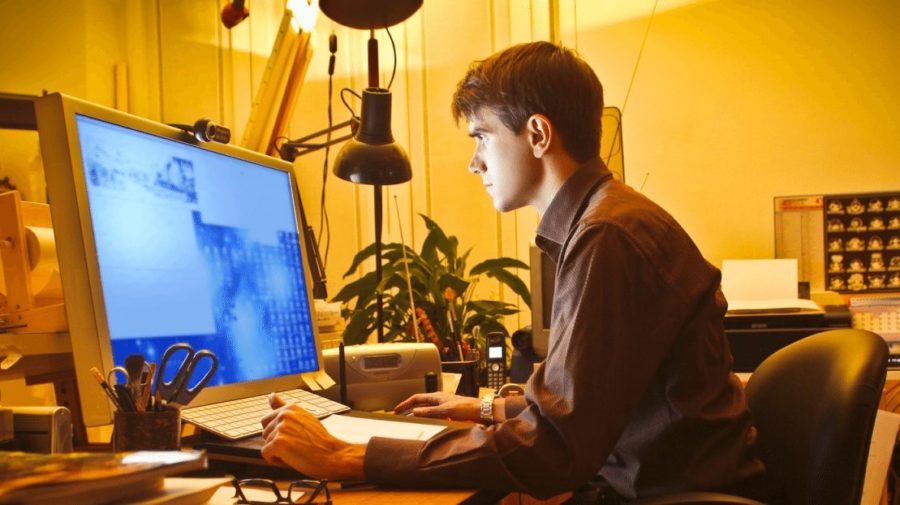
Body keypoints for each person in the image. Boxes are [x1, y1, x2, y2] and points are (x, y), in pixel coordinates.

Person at [261, 41, 766, 502]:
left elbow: (554, 449)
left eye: (482, 137)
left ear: (538, 134)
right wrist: (484, 409)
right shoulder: (608, 217)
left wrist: (350, 457)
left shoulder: (606, 236)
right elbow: (583, 402)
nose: (474, 163)